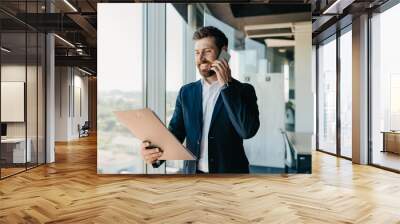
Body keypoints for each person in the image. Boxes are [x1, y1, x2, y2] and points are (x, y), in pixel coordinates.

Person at [140, 26, 260, 174]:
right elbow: (176, 133)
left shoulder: (243, 90)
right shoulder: (186, 92)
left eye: (207, 51)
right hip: (193, 176)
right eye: (197, 53)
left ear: (223, 52)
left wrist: (226, 87)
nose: (201, 58)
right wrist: (155, 154)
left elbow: (246, 131)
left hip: (230, 178)